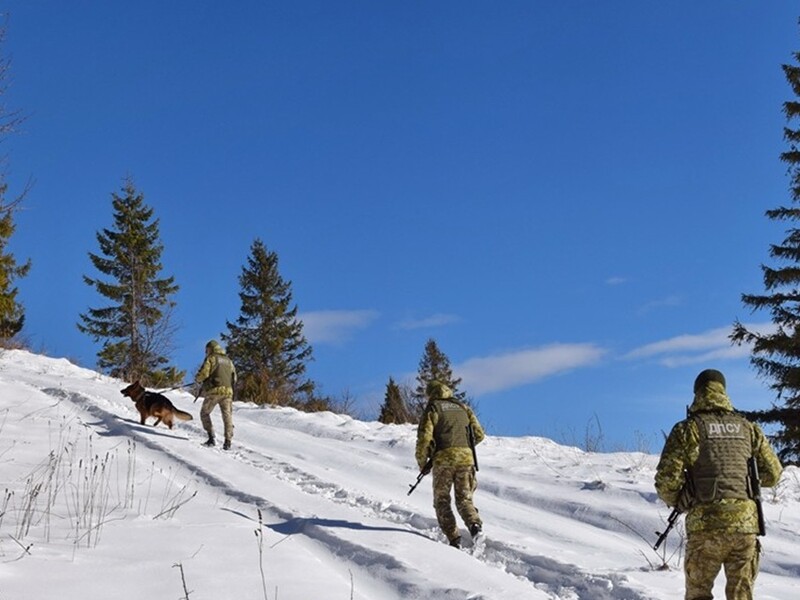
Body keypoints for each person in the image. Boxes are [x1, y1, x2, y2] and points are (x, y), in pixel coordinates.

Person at [655, 368, 783, 600]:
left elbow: (666, 481)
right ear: (724, 392)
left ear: (697, 394)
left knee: (698, 594)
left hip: (705, 527)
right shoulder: (748, 428)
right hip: (745, 527)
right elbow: (773, 474)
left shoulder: (688, 429)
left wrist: (683, 500)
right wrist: (746, 482)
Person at [415, 380, 485, 548]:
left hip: (443, 460)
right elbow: (479, 434)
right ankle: (475, 526)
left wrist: (422, 462)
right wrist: (464, 447)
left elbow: (424, 438)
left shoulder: (433, 408)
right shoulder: (463, 407)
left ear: (430, 394)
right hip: (466, 460)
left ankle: (454, 539)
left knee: (442, 500)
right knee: (465, 499)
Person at [195, 340, 237, 450]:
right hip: (228, 392)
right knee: (227, 416)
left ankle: (211, 438)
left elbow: (204, 373)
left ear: (210, 349)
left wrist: (198, 379)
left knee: (204, 413)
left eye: (206, 350)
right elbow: (234, 378)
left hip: (214, 391)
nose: (206, 352)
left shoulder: (211, 358)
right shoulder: (228, 361)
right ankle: (228, 442)